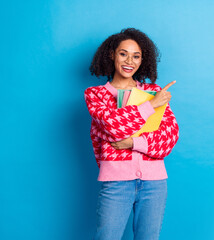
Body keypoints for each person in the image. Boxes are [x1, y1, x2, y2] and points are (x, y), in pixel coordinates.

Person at [84, 28, 179, 240]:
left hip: (155, 184)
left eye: (136, 56)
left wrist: (132, 142)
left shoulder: (153, 90)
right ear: (112, 55)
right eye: (123, 53)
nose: (130, 61)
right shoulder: (96, 95)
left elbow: (169, 137)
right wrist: (151, 106)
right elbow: (112, 127)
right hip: (116, 182)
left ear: (142, 60)